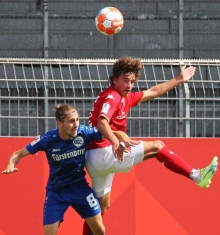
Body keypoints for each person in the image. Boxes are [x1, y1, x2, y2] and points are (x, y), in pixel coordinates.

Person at [82, 56, 219, 235]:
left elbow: (152, 92)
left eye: (132, 81)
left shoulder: (124, 97)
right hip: (104, 152)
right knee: (157, 146)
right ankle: (197, 176)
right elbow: (102, 122)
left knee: (100, 208)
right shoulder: (112, 96)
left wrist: (179, 79)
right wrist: (116, 142)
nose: (129, 85)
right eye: (125, 80)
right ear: (114, 79)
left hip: (97, 159)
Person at [1, 104, 135, 235]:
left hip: (80, 189)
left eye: (77, 120)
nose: (76, 124)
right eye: (71, 121)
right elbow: (17, 153)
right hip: (57, 192)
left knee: (100, 230)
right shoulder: (47, 139)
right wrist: (10, 165)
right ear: (59, 124)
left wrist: (122, 138)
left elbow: (111, 133)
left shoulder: (84, 132)